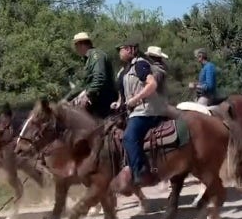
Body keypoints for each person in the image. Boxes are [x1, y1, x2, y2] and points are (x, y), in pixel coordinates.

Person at [112, 40, 168, 188]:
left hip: (145, 111)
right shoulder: (125, 69)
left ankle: (141, 171)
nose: (119, 52)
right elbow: (124, 93)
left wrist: (135, 99)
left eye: (121, 49)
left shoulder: (140, 65)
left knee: (129, 138)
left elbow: (152, 84)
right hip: (131, 112)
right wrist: (119, 102)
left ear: (130, 50)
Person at [67, 32, 118, 119]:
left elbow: (99, 78)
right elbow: (82, 84)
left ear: (81, 44)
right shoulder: (88, 59)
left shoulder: (96, 56)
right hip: (96, 101)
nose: (76, 49)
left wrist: (88, 94)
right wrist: (67, 99)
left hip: (104, 102)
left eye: (76, 46)